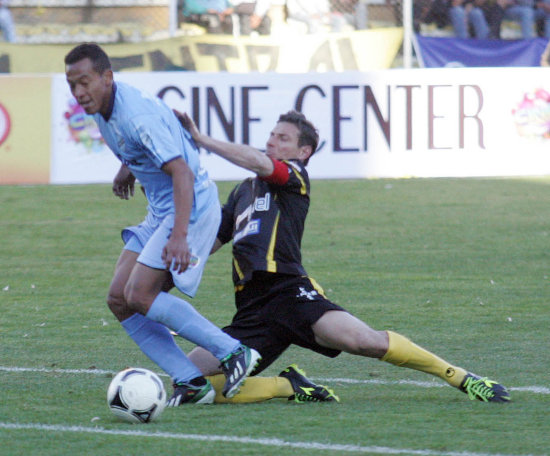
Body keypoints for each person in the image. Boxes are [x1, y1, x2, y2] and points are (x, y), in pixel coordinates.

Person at [174, 109, 511, 404]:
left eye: (284, 138)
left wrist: (203, 139)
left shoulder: (293, 176)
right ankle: (287, 386)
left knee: (366, 342)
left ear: (303, 151)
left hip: (289, 292)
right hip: (251, 307)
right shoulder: (242, 190)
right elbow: (209, 242)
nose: (273, 141)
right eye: (272, 135)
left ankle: (462, 378)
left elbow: (262, 163)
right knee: (188, 382)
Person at [63, 43, 261, 406]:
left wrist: (180, 238)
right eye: (72, 84)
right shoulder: (104, 109)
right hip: (161, 209)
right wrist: (127, 168)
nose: (78, 93)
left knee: (140, 293)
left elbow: (182, 172)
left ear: (107, 77)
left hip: (192, 205)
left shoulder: (136, 114)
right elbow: (147, 141)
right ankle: (191, 381)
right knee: (119, 299)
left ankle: (233, 352)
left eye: (85, 82)